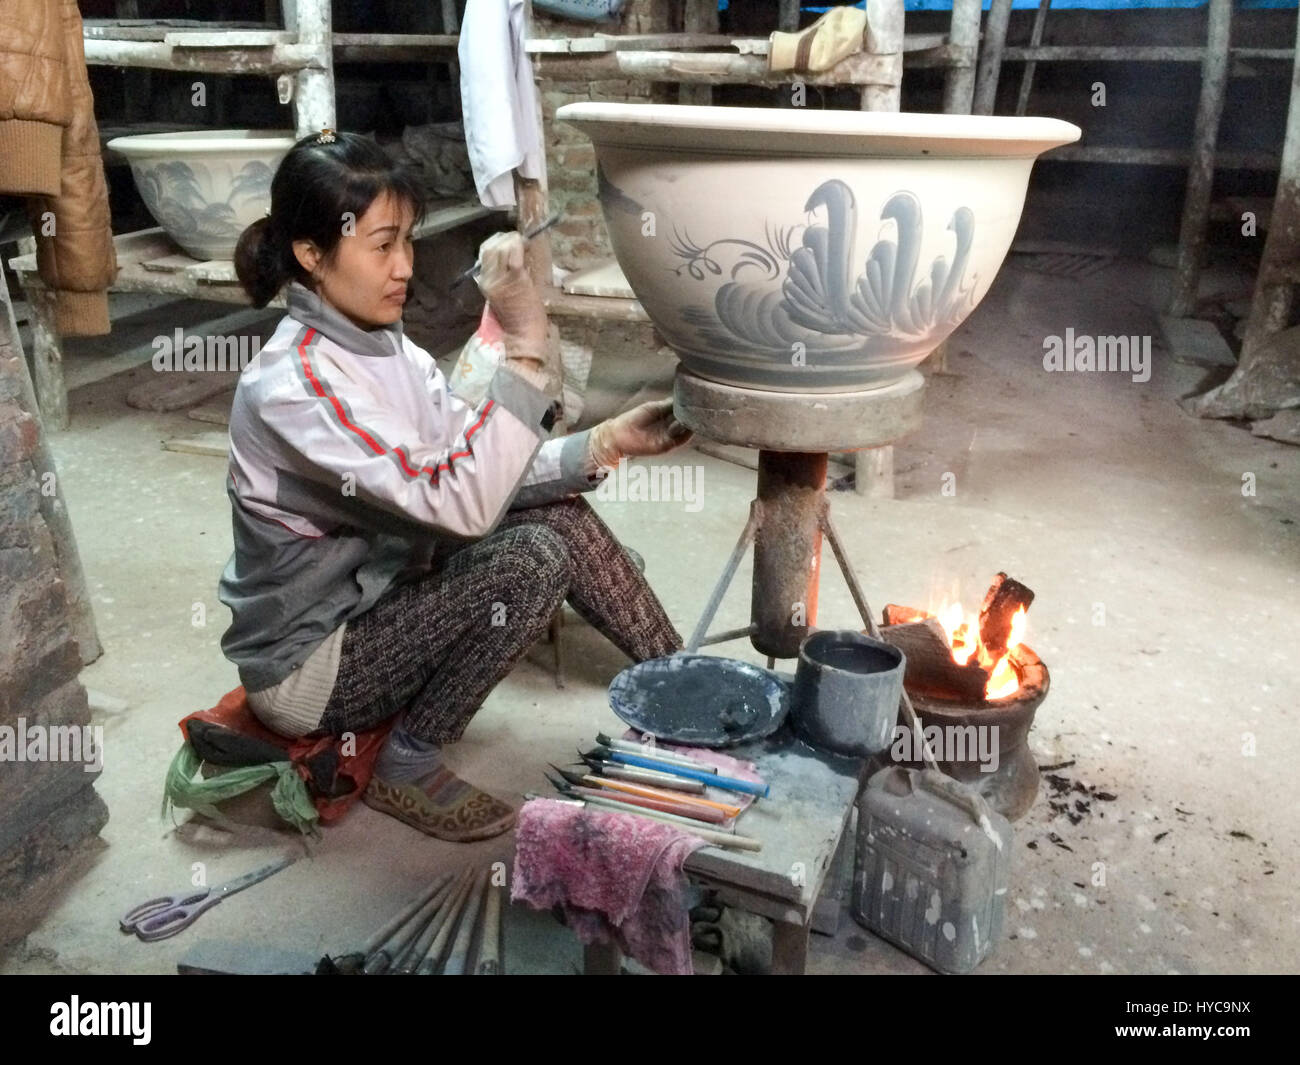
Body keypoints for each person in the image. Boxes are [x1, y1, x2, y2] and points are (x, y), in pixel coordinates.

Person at [219, 129, 691, 842]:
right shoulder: (293, 389)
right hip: (313, 665)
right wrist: (526, 344)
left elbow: (477, 463)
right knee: (529, 560)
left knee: (554, 514)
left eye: (408, 240)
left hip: (384, 593)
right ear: (312, 255)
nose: (404, 266)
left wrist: (606, 441)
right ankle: (406, 760)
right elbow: (462, 503)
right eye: (382, 246)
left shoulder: (388, 347)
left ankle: (687, 685)